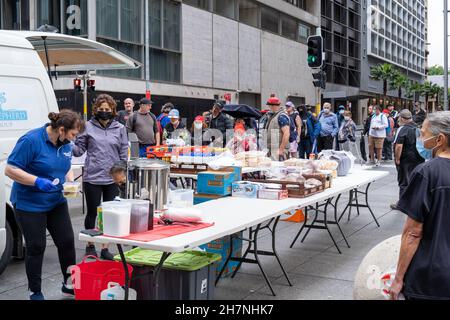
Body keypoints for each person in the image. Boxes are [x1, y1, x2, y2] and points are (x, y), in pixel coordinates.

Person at [4, 110, 83, 300]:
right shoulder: (31, 140)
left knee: (66, 242)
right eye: (72, 134)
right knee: (36, 246)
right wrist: (36, 181)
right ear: (61, 130)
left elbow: (65, 166)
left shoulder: (64, 144)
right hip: (29, 204)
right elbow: (10, 169)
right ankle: (35, 291)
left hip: (55, 201)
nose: (73, 140)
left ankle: (69, 283)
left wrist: (70, 182)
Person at [389, 111, 450, 300]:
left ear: (439, 139)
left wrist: (398, 278)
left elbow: (413, 233)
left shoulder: (426, 173)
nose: (420, 138)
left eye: (423, 134)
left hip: (431, 276)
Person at [73, 94, 128, 260]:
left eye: (107, 109)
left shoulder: (120, 128)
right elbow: (78, 150)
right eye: (101, 109)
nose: (104, 112)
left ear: (112, 110)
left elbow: (124, 150)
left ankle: (105, 247)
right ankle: (90, 245)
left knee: (110, 213)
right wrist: (66, 141)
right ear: (95, 110)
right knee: (92, 213)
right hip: (92, 177)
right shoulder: (87, 127)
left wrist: (122, 171)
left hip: (112, 178)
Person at [390, 110, 424, 210]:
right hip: (418, 158)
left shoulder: (402, 129)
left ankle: (402, 204)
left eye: (399, 118)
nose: (398, 120)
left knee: (403, 181)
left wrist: (397, 159)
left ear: (402, 119)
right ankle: (414, 202)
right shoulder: (417, 128)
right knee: (414, 181)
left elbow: (398, 146)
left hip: (406, 159)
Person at [263, 95, 291, 161]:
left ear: (274, 105)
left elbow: (286, 134)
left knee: (278, 170)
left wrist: (281, 149)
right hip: (272, 149)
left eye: (270, 105)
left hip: (279, 150)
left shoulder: (281, 116)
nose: (269, 107)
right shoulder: (271, 115)